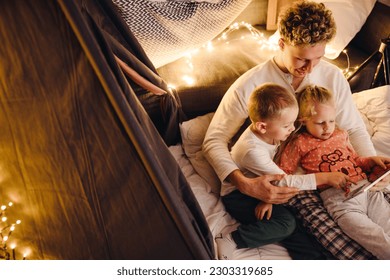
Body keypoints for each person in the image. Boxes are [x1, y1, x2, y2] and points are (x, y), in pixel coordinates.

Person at [203, 0, 381, 259]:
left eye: (318, 58)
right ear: (282, 43)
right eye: (302, 59)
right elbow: (214, 139)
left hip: (313, 177)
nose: (310, 69)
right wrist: (244, 184)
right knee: (305, 241)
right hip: (268, 178)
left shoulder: (331, 77)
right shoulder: (251, 84)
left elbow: (353, 126)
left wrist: (368, 164)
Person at [217, 83, 350, 260]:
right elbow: (284, 180)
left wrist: (270, 198)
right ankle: (232, 239)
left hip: (266, 184)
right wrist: (325, 177)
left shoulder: (273, 131)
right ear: (262, 127)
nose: (293, 129)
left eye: (293, 123)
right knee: (286, 224)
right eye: (287, 125)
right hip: (239, 195)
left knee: (303, 220)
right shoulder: (252, 151)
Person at [279, 85, 390, 259]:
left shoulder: (341, 134)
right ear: (302, 120)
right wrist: (268, 199)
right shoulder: (299, 142)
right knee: (376, 239)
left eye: (331, 120)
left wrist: (372, 160)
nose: (327, 127)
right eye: (320, 122)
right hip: (341, 201)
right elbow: (282, 174)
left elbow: (356, 161)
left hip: (369, 191)